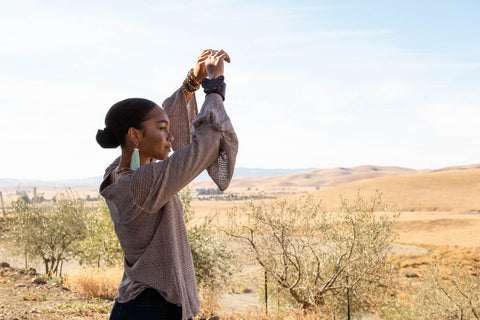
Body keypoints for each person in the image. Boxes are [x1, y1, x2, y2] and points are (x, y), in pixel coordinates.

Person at [95, 49, 238, 320]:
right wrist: (214, 87)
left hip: (134, 305)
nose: (171, 136)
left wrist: (190, 83)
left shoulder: (117, 173)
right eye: (162, 128)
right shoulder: (143, 183)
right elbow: (205, 145)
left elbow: (157, 130)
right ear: (135, 135)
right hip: (151, 310)